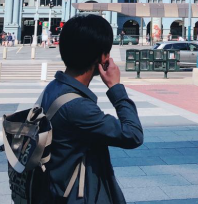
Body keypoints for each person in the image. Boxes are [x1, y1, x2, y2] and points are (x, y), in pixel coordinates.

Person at [41, 14, 143, 202]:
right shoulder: (78, 107)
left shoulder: (53, 88)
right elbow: (133, 135)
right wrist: (116, 88)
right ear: (102, 57)